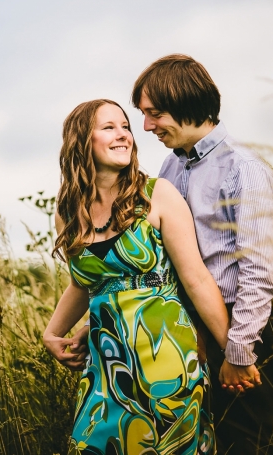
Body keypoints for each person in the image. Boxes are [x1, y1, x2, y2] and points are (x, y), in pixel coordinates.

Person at [43, 98, 231, 454]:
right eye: (109, 127)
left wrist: (235, 355)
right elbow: (84, 284)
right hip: (105, 368)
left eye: (125, 127)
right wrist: (52, 333)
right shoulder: (67, 212)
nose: (124, 135)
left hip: (168, 361)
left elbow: (197, 280)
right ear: (82, 140)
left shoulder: (157, 195)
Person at [132, 54, 273, 454]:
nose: (146, 126)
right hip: (188, 326)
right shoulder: (170, 167)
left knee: (249, 443)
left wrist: (238, 349)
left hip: (241, 325)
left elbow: (256, 271)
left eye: (155, 113)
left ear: (185, 103)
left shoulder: (242, 168)